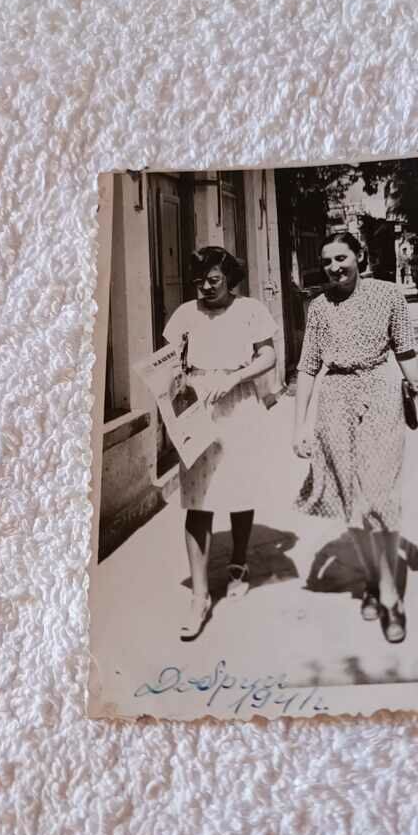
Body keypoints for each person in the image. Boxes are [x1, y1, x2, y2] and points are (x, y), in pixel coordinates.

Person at [292, 232, 418, 644]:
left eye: (342, 258)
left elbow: (405, 350)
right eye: (327, 260)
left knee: (381, 497)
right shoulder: (318, 307)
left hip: (382, 396)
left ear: (360, 256)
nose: (334, 267)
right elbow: (308, 367)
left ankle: (389, 595)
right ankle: (372, 580)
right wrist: (299, 424)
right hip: (335, 404)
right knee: (353, 502)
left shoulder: (389, 295)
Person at [163, 246, 277, 640]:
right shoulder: (184, 315)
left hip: (239, 404)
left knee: (239, 489)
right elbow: (168, 361)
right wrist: (173, 386)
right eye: (199, 281)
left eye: (213, 280)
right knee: (197, 499)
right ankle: (199, 597)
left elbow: (269, 357)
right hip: (196, 409)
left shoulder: (250, 311)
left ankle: (239, 565)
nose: (205, 288)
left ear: (229, 278)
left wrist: (235, 378)